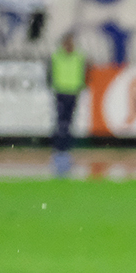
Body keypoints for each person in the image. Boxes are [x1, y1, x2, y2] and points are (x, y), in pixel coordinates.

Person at [49, 32, 87, 178]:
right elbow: (50, 73)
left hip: (73, 91)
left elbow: (83, 72)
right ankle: (58, 150)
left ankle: (65, 150)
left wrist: (80, 85)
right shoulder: (57, 56)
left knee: (68, 122)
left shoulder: (79, 56)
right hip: (61, 91)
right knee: (61, 123)